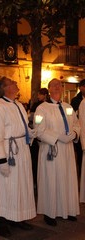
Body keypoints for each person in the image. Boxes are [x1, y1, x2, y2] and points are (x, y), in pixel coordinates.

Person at [0, 77, 36, 238]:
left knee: (21, 184)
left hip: (22, 149)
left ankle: (18, 217)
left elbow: (21, 125)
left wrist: (30, 132)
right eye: (13, 82)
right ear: (5, 87)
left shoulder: (18, 105)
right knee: (5, 186)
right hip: (8, 151)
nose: (16, 83)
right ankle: (2, 221)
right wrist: (2, 160)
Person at [34, 78, 80, 226]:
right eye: (54, 85)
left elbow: (77, 123)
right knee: (51, 179)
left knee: (67, 178)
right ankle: (50, 212)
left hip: (67, 150)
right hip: (51, 149)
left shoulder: (68, 107)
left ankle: (67, 209)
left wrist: (74, 133)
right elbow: (38, 128)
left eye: (59, 85)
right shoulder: (42, 108)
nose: (58, 87)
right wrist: (57, 137)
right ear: (49, 89)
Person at [28, 88, 49, 191]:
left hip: (48, 134)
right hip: (37, 137)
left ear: (45, 95)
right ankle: (37, 182)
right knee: (36, 160)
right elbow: (32, 120)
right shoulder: (36, 105)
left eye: (39, 94)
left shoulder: (50, 104)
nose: (38, 96)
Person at [71, 79, 85, 180]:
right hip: (80, 132)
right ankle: (81, 176)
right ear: (81, 88)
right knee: (80, 157)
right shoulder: (76, 100)